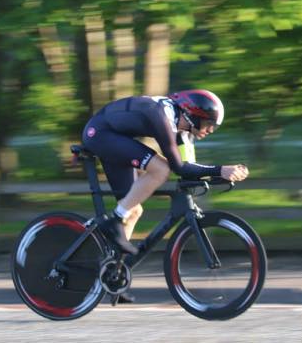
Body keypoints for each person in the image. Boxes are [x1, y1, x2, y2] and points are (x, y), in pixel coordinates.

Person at [81, 90, 249, 301]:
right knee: (161, 169)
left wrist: (218, 175)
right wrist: (220, 170)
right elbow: (178, 167)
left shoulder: (183, 130)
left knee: (133, 210)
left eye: (214, 126)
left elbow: (188, 169)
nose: (210, 130)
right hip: (100, 134)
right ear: (193, 115)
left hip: (114, 136)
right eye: (208, 124)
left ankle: (112, 275)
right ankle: (114, 220)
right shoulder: (162, 116)